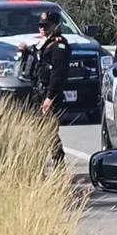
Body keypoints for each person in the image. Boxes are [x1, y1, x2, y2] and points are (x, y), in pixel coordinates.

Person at [20, 13, 71, 172]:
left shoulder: (59, 45)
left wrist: (50, 97)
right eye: (41, 25)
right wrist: (25, 52)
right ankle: (52, 166)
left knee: (47, 131)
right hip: (39, 93)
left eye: (46, 25)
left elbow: (58, 74)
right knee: (41, 130)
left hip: (49, 94)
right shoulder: (44, 43)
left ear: (56, 26)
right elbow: (38, 62)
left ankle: (57, 165)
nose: (42, 28)